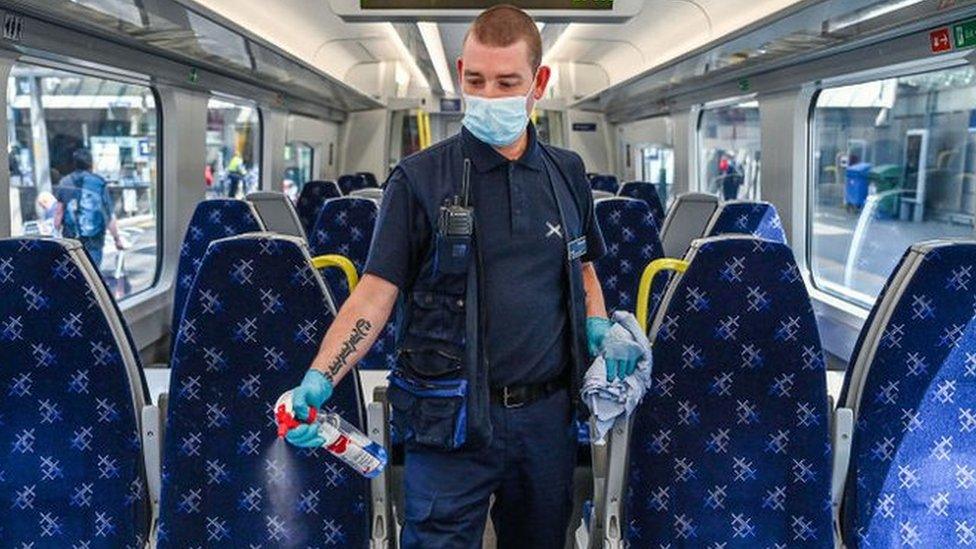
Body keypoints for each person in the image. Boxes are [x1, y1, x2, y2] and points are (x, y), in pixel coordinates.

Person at [283, 6, 639, 548]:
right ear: (459, 73)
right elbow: (375, 293)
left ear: (539, 83)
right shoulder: (420, 179)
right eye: (475, 80)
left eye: (506, 82)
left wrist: (597, 324)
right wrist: (321, 376)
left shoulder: (567, 175)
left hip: (544, 420)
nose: (488, 94)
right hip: (447, 417)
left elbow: (583, 264)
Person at [53, 148, 124, 267]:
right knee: (93, 273)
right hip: (94, 237)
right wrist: (117, 239)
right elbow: (108, 216)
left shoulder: (64, 182)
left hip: (71, 238)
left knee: (76, 272)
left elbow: (59, 213)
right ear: (91, 164)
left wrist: (56, 235)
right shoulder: (98, 182)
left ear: (74, 164)